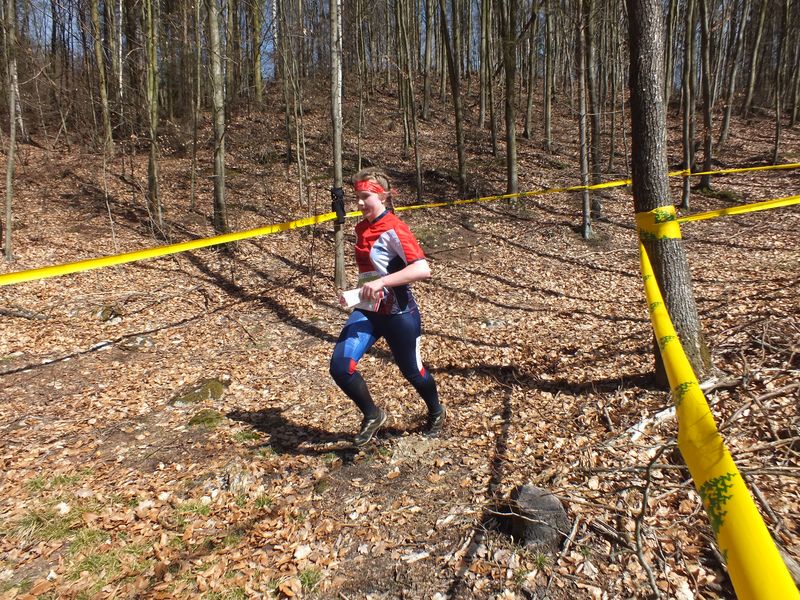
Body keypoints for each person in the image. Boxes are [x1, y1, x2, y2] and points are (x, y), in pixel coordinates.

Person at [329, 168, 446, 446]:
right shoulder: (361, 227)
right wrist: (357, 293)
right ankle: (373, 414)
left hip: (399, 314)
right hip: (368, 311)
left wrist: (382, 283)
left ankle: (436, 411)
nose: (359, 203)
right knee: (340, 367)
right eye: (357, 197)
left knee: (413, 372)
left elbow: (422, 269)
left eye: (365, 197)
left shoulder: (394, 227)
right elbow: (371, 272)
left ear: (382, 196)